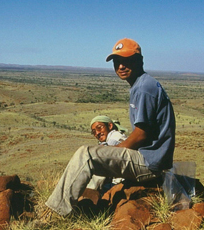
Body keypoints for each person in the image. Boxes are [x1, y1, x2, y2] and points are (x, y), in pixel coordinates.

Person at [45, 38, 176, 216]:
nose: (121, 66)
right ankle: (86, 202)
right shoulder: (141, 85)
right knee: (100, 155)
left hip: (149, 162)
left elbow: (141, 135)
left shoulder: (144, 87)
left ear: (139, 60)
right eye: (117, 62)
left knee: (87, 154)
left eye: (126, 60)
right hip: (150, 159)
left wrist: (116, 151)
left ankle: (56, 211)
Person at [86, 115, 127, 191]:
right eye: (94, 132)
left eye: (99, 127)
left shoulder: (115, 136)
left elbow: (106, 152)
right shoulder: (109, 139)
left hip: (121, 180)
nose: (97, 133)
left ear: (110, 126)